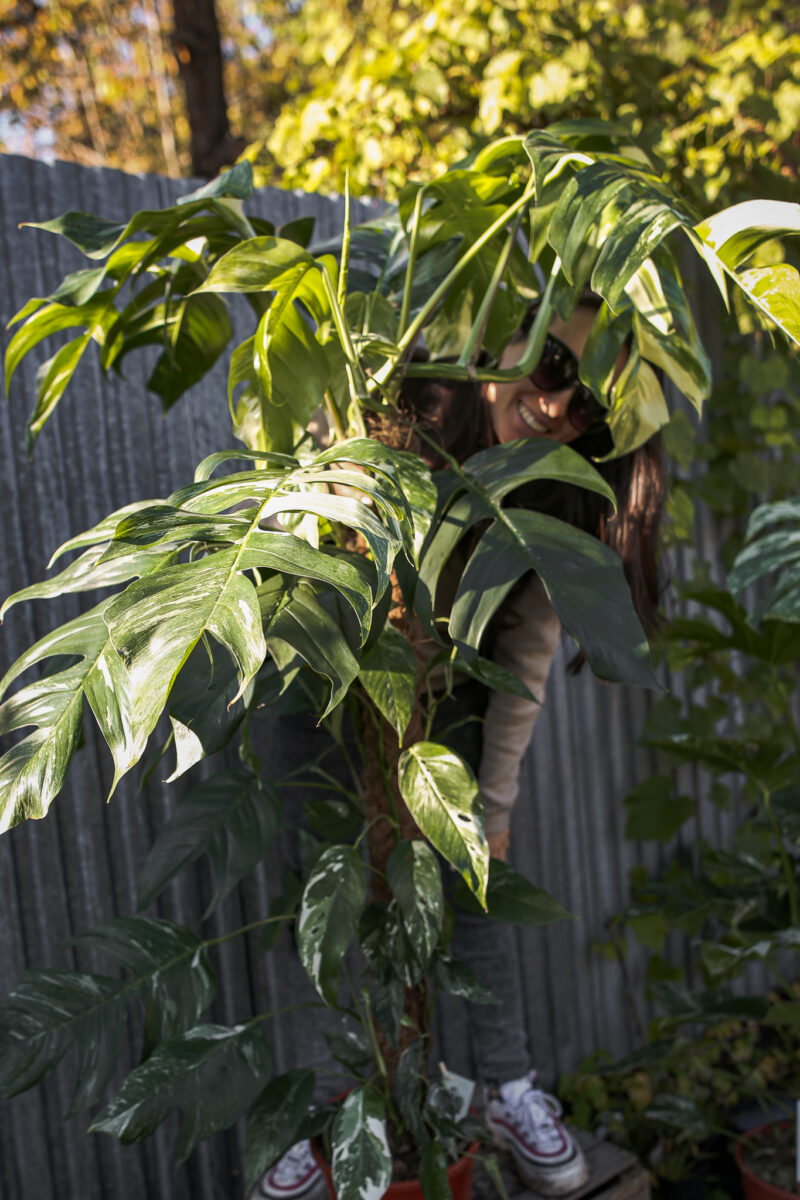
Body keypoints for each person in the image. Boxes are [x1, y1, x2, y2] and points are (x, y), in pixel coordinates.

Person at [256, 298, 664, 1199]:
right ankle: (320, 1116)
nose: (559, 406)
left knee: (477, 890)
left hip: (450, 706)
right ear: (510, 336)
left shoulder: (561, 489)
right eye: (555, 365)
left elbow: (525, 648)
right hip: (323, 692)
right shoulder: (407, 405)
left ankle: (504, 1090)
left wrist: (496, 804)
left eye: (590, 404)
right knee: (323, 900)